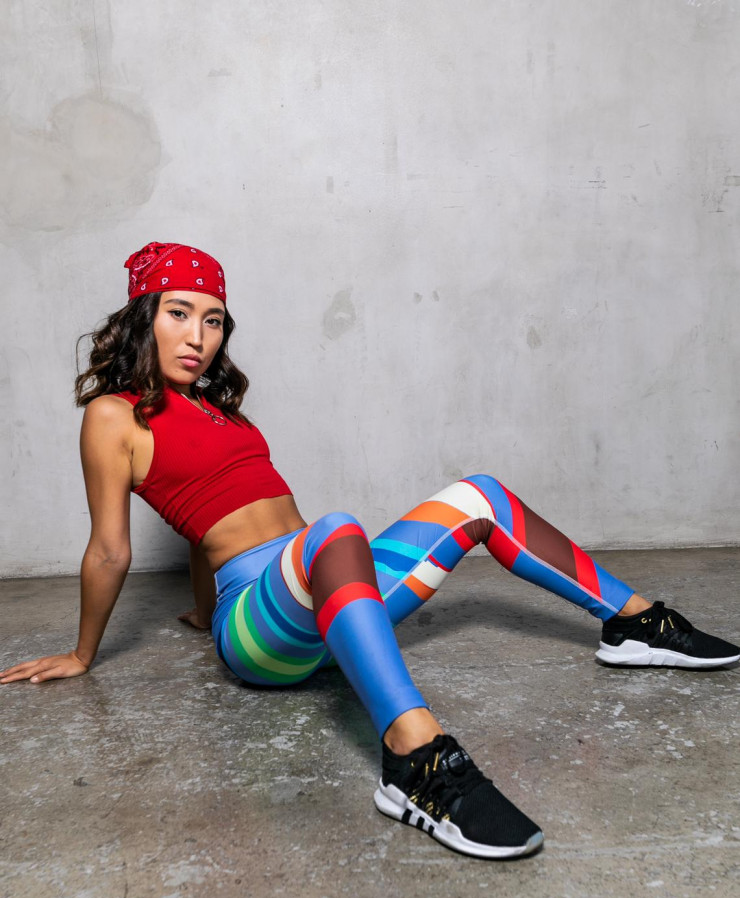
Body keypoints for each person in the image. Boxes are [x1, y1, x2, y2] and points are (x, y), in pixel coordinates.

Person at [2, 241, 737, 861]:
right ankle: (416, 760)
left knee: (479, 495)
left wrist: (196, 606)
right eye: (179, 313)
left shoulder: (218, 409)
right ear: (143, 317)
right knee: (335, 529)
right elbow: (110, 550)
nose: (198, 336)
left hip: (328, 598)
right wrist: (84, 653)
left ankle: (635, 622)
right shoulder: (113, 415)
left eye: (214, 319)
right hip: (262, 633)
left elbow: (203, 527)